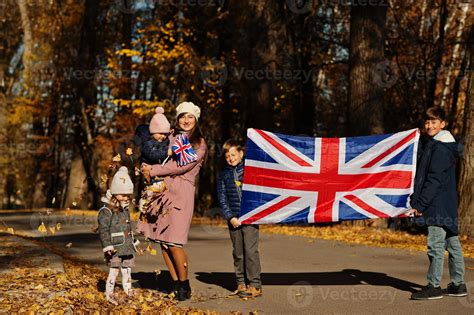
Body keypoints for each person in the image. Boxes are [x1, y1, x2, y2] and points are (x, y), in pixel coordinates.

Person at [137, 101, 207, 301]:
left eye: (190, 117)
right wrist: (145, 164)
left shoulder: (198, 142)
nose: (186, 120)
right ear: (177, 119)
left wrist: (154, 170)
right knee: (163, 242)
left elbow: (180, 166)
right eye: (183, 116)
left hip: (181, 194)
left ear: (196, 120)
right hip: (162, 192)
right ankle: (175, 284)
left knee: (175, 242)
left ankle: (185, 285)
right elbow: (153, 150)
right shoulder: (171, 137)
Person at [409, 107, 466, 300]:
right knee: (452, 242)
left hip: (437, 204)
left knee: (435, 245)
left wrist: (421, 204)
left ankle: (433, 286)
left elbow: (433, 180)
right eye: (426, 122)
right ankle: (458, 284)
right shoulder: (437, 144)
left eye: (434, 122)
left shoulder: (440, 148)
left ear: (443, 124)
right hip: (447, 203)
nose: (429, 125)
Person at [216, 139, 262, 298]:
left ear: (241, 154)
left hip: (250, 218)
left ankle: (255, 284)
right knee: (238, 252)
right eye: (228, 155)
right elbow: (222, 198)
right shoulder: (223, 174)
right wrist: (230, 217)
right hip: (234, 220)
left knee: (250, 251)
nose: (231, 158)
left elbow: (257, 194)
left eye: (234, 154)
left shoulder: (251, 171)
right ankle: (241, 283)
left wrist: (250, 214)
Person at [98, 166, 140, 305]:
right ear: (115, 193)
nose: (126, 198)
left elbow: (127, 226)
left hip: (127, 246)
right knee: (114, 271)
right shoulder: (106, 211)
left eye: (128, 195)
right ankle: (109, 293)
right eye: (123, 195)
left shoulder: (125, 207)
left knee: (127, 270)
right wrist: (107, 246)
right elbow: (103, 230)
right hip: (114, 248)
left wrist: (133, 240)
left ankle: (129, 291)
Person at [135, 107, 172, 213]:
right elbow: (152, 155)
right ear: (153, 131)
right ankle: (145, 200)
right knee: (156, 186)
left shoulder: (163, 140)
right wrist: (166, 153)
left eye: (165, 134)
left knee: (161, 187)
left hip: (158, 169)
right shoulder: (147, 143)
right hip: (149, 168)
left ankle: (152, 204)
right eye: (160, 133)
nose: (163, 136)